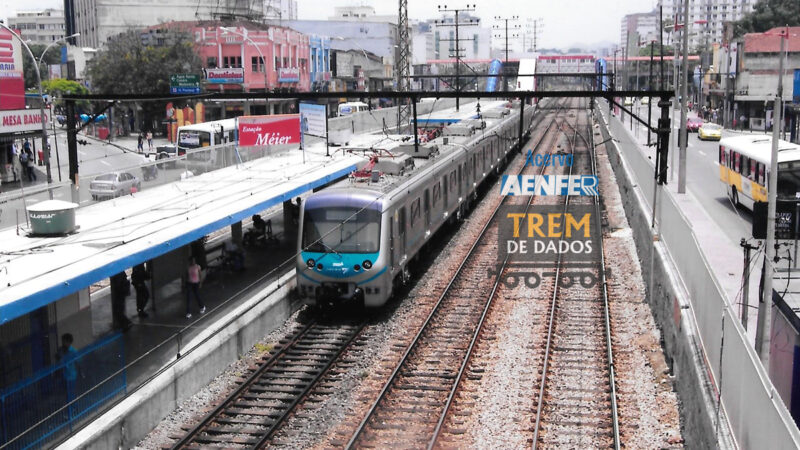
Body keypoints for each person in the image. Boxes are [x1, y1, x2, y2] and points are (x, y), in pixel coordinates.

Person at [55, 333, 78, 401]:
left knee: (71, 392)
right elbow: (58, 360)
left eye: (64, 341)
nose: (63, 343)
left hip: (71, 375)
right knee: (66, 392)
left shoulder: (73, 351)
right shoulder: (61, 350)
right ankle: (69, 406)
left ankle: (73, 407)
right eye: (62, 341)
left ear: (69, 342)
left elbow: (77, 362)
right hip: (64, 375)